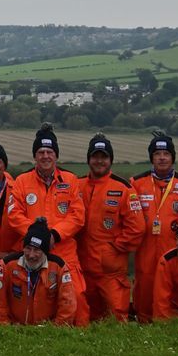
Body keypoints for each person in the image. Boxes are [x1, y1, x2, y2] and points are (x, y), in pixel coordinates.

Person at [73, 135, 146, 323]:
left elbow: (137, 228)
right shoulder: (76, 185)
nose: (99, 161)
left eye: (104, 157)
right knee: (84, 319)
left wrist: (114, 248)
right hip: (82, 268)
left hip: (111, 272)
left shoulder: (123, 189)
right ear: (88, 159)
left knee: (117, 319)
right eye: (95, 157)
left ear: (110, 160)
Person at [131, 133, 178, 322]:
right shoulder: (136, 183)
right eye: (157, 153)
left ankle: (171, 326)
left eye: (166, 153)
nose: (161, 157)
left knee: (173, 292)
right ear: (151, 157)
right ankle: (142, 324)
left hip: (174, 251)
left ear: (172, 158)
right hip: (145, 251)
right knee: (144, 291)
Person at [0, 216, 83, 326]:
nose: (31, 255)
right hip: (14, 329)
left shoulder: (59, 267)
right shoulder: (7, 265)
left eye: (37, 250)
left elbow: (67, 303)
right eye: (28, 248)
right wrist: (5, 327)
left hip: (48, 331)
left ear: (45, 251)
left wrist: (56, 330)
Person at [8, 126, 86, 250]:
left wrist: (54, 235)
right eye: (41, 152)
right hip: (31, 250)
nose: (45, 156)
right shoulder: (21, 181)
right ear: (35, 156)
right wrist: (37, 235)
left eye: (49, 152)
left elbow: (78, 216)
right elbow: (14, 215)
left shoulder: (71, 180)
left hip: (63, 250)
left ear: (56, 156)